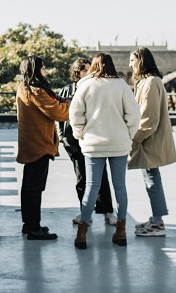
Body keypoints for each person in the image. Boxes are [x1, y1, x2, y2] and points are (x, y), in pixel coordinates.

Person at [69, 52, 140, 249]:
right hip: (119, 143)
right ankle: (121, 230)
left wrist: (80, 134)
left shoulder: (85, 85)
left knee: (91, 186)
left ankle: (82, 233)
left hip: (93, 144)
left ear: (93, 66)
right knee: (120, 187)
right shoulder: (121, 86)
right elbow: (134, 114)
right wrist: (128, 134)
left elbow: (75, 114)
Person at [16, 55, 70, 240]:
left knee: (29, 186)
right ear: (35, 69)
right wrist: (73, 104)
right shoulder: (35, 91)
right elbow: (58, 112)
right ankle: (34, 228)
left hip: (31, 143)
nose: (45, 70)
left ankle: (29, 224)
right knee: (35, 188)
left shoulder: (24, 88)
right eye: (43, 67)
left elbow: (53, 104)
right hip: (39, 144)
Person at [58, 56, 117, 225]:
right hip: (73, 143)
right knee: (82, 180)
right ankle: (86, 214)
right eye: (84, 69)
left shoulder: (95, 89)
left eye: (90, 69)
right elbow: (59, 118)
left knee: (102, 178)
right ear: (77, 72)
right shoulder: (66, 90)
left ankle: (107, 212)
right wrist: (63, 139)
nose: (88, 73)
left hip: (93, 141)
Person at [128, 46, 176, 238]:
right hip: (149, 140)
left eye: (132, 61)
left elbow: (149, 119)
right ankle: (157, 219)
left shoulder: (150, 83)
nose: (129, 65)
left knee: (152, 180)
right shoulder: (148, 82)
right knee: (151, 178)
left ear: (140, 61)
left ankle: (158, 223)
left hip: (149, 141)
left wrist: (134, 141)